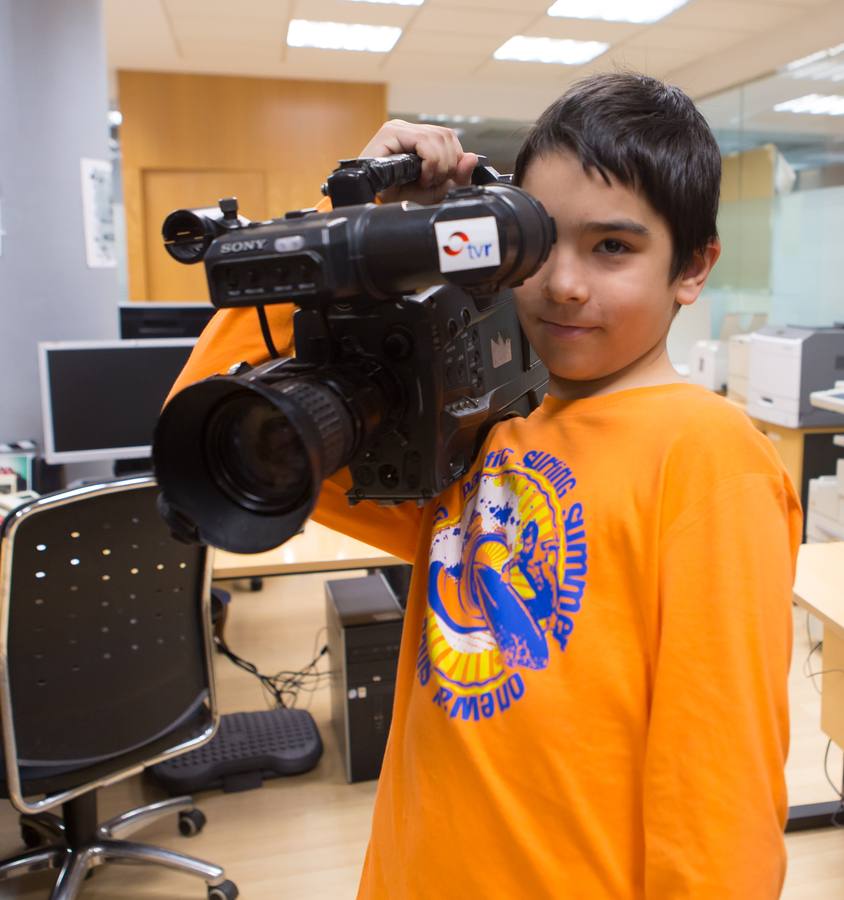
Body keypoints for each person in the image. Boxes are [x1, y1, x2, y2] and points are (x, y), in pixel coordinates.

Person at [167, 73, 802, 898]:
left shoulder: (710, 457)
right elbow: (216, 435)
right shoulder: (476, 429)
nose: (564, 283)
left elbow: (720, 790)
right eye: (541, 243)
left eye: (613, 247)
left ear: (692, 266)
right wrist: (352, 229)